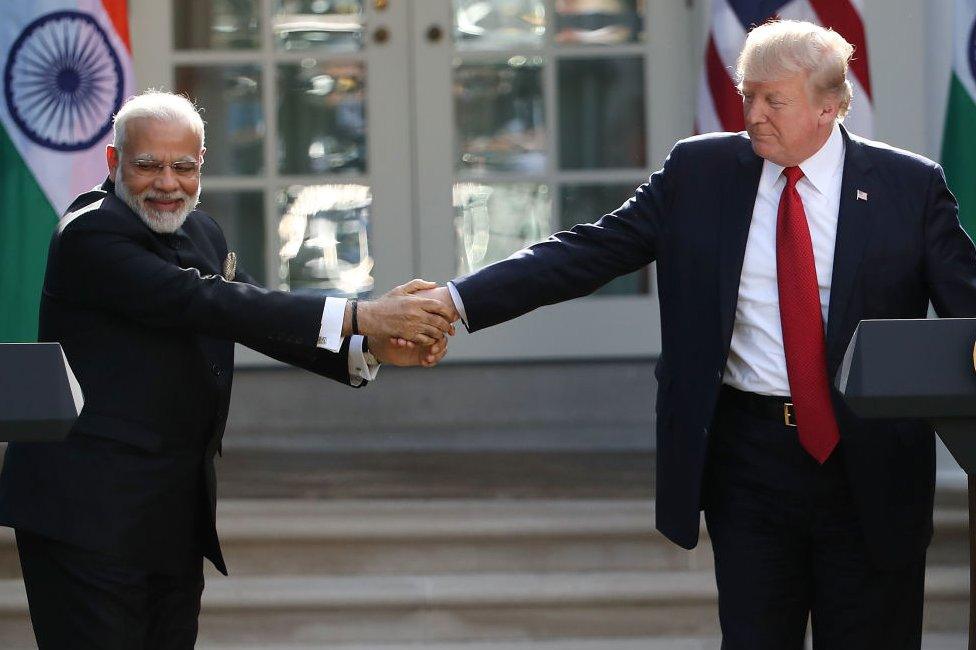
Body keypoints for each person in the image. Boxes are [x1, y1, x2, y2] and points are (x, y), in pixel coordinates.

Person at [415, 20, 976, 649]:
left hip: (871, 463)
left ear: (830, 106)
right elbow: (585, 253)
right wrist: (455, 301)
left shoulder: (909, 187)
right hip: (750, 462)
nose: (755, 114)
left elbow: (969, 309)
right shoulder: (701, 173)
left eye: (775, 100)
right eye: (747, 96)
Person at [0, 91, 455, 650]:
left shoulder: (203, 232)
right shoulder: (89, 234)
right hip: (84, 518)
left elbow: (243, 316)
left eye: (183, 166)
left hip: (170, 515)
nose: (167, 183)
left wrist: (369, 345)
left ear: (201, 165)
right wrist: (364, 312)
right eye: (147, 165)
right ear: (114, 163)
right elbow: (203, 302)